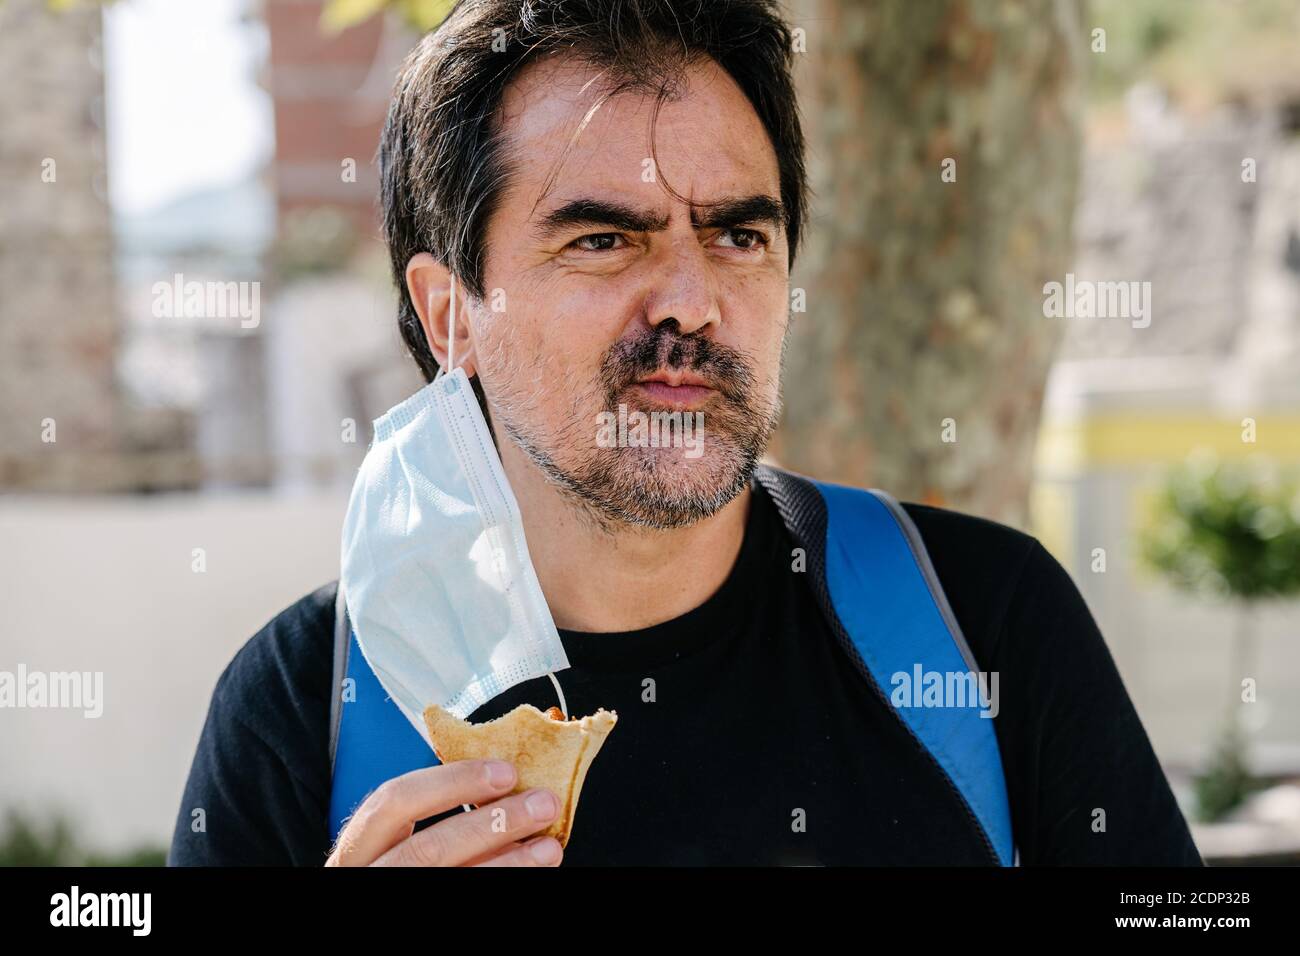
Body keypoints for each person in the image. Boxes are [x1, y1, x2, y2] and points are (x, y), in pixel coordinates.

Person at [168, 0, 1202, 867]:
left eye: (737, 234)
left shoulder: (983, 625)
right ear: (450, 315)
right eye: (605, 239)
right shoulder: (310, 709)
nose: (692, 302)